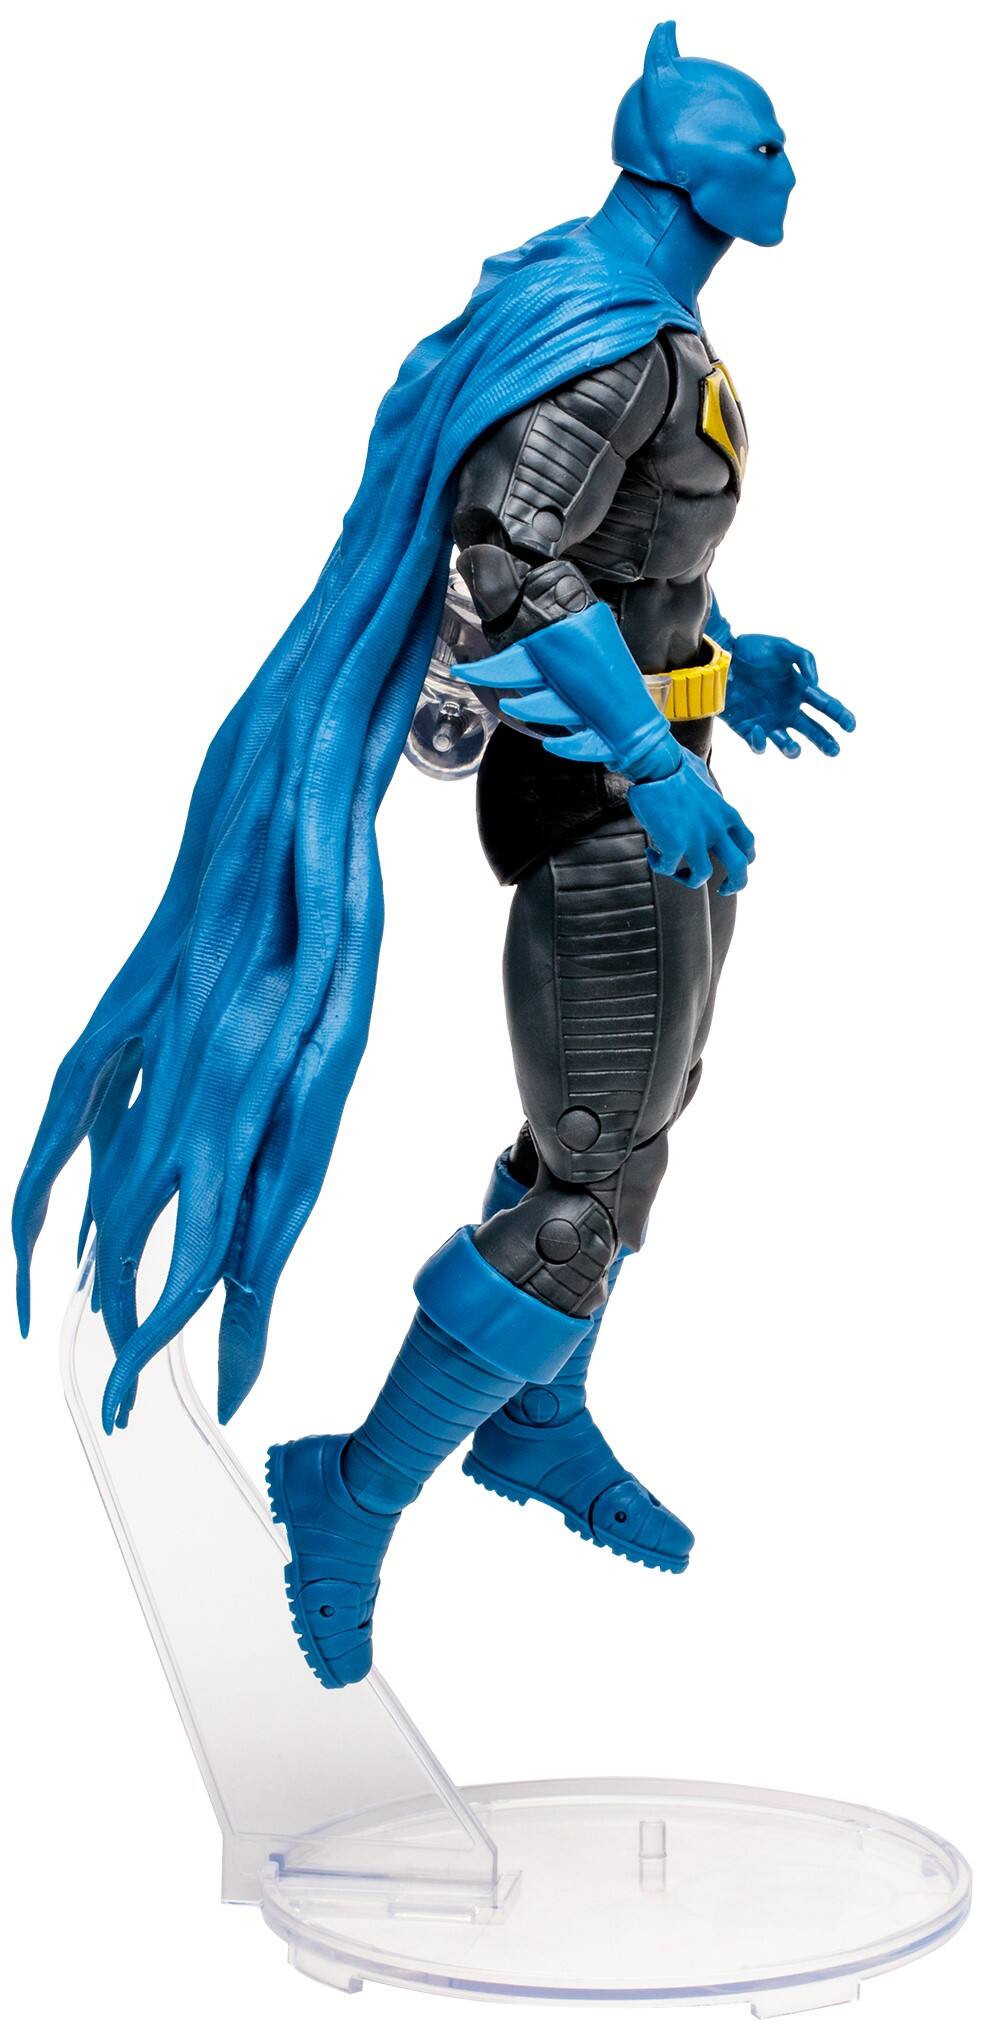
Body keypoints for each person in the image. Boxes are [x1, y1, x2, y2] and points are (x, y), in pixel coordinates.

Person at [15, 24, 854, 1690]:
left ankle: (535, 1422)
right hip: (599, 803)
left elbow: (623, 559)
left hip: (661, 774)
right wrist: (642, 755)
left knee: (627, 1136)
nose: (788, 173)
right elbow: (512, 564)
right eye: (762, 148)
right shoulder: (609, 344)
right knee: (589, 1179)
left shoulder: (648, 327)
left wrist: (715, 667)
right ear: (688, 167)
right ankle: (351, 1492)